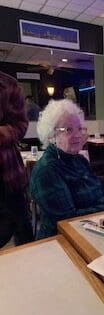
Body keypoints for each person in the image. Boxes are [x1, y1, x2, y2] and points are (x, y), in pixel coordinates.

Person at [30, 99, 104, 239]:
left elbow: (101, 195)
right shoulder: (46, 170)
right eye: (68, 129)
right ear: (51, 136)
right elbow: (66, 218)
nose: (77, 135)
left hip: (96, 230)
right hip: (62, 240)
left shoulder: (79, 159)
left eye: (80, 129)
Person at [0, 71, 33, 247]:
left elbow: (21, 125)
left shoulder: (8, 84)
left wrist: (2, 133)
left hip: (9, 173)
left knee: (22, 227)